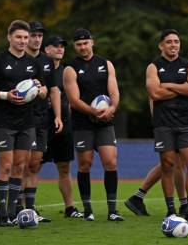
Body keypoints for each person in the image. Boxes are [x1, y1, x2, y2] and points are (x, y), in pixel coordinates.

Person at [146, 29, 188, 221]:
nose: (174, 45)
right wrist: (181, 87)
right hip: (163, 124)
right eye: (169, 42)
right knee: (168, 165)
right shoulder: (153, 67)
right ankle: (171, 210)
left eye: (177, 41)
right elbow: (154, 94)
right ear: (161, 45)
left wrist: (167, 85)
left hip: (186, 123)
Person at [0, 20, 47, 226]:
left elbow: (44, 90)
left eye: (26, 37)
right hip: (5, 121)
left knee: (20, 166)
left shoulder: (34, 64)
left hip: (27, 122)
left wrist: (39, 90)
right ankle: (3, 214)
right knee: (5, 166)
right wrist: (6, 95)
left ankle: (14, 213)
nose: (23, 41)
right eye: (19, 37)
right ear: (9, 38)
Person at [63, 28, 124, 222]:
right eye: (79, 44)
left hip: (105, 121)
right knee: (85, 164)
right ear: (75, 46)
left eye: (85, 43)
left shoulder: (106, 64)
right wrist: (94, 112)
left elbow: (114, 91)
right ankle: (88, 210)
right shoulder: (70, 69)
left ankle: (112, 210)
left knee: (110, 162)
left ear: (92, 42)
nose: (83, 47)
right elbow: (73, 100)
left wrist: (112, 109)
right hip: (83, 123)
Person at [22, 21, 63, 222]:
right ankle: (15, 207)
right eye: (33, 35)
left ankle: (29, 209)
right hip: (20, 120)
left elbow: (54, 89)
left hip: (41, 119)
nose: (37, 39)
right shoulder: (18, 59)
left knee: (34, 164)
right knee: (20, 163)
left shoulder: (47, 61)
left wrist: (57, 115)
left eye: (39, 35)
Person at [42, 34, 84, 219]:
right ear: (46, 50)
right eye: (55, 45)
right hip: (41, 124)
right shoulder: (39, 69)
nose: (60, 48)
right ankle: (25, 206)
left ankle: (69, 207)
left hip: (64, 125)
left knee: (65, 167)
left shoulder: (68, 71)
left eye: (62, 46)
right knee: (31, 166)